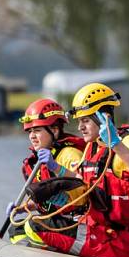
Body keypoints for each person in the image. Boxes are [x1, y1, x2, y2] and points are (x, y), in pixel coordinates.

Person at [20, 83, 129, 257]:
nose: (80, 127)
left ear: (104, 117)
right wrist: (56, 172)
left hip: (123, 242)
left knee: (35, 227)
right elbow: (83, 183)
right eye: (79, 121)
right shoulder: (92, 146)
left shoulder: (128, 143)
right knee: (34, 221)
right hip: (100, 232)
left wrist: (116, 144)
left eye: (86, 120)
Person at [8, 98, 86, 244]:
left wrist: (55, 167)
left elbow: (85, 194)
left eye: (37, 130)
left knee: (34, 227)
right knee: (15, 230)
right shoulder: (42, 160)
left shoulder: (70, 154)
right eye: (30, 131)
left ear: (55, 130)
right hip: (61, 221)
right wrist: (23, 208)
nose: (32, 136)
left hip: (79, 224)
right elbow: (48, 203)